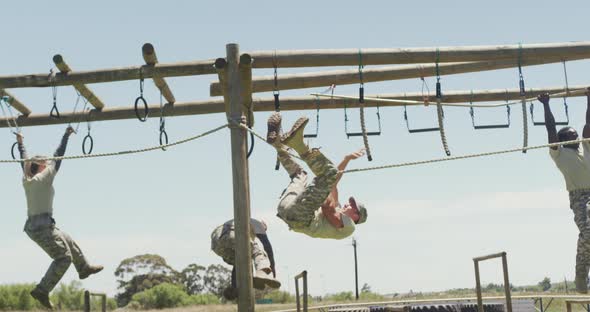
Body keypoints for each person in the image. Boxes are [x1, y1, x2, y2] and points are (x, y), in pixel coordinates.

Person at [16, 127, 103, 309]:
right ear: (40, 166)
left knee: (68, 240)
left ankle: (84, 268)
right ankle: (42, 290)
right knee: (64, 258)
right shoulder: (44, 178)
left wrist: (20, 142)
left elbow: (24, 159)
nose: (48, 164)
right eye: (44, 162)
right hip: (41, 227)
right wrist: (66, 136)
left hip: (41, 225)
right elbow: (58, 156)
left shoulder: (28, 178)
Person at [266, 113, 368, 239]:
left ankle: (298, 144)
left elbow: (328, 210)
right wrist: (347, 159)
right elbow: (334, 183)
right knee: (299, 174)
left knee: (329, 174)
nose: (349, 204)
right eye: (351, 202)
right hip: (287, 206)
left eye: (353, 206)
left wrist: (324, 192)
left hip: (301, 217)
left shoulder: (349, 227)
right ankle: (277, 145)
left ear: (356, 216)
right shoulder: (338, 206)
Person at [540, 89, 590, 293]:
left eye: (576, 135)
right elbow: (551, 130)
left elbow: (588, 125)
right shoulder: (558, 154)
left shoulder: (585, 148)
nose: (576, 137)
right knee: (588, 232)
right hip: (580, 197)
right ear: (563, 140)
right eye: (572, 136)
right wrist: (545, 104)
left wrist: (588, 98)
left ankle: (582, 271)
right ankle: (581, 272)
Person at [210, 218, 280, 300]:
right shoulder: (258, 224)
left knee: (241, 261)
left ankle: (234, 288)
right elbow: (267, 246)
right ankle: (262, 272)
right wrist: (272, 268)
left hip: (216, 244)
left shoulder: (243, 222)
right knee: (256, 249)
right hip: (229, 233)